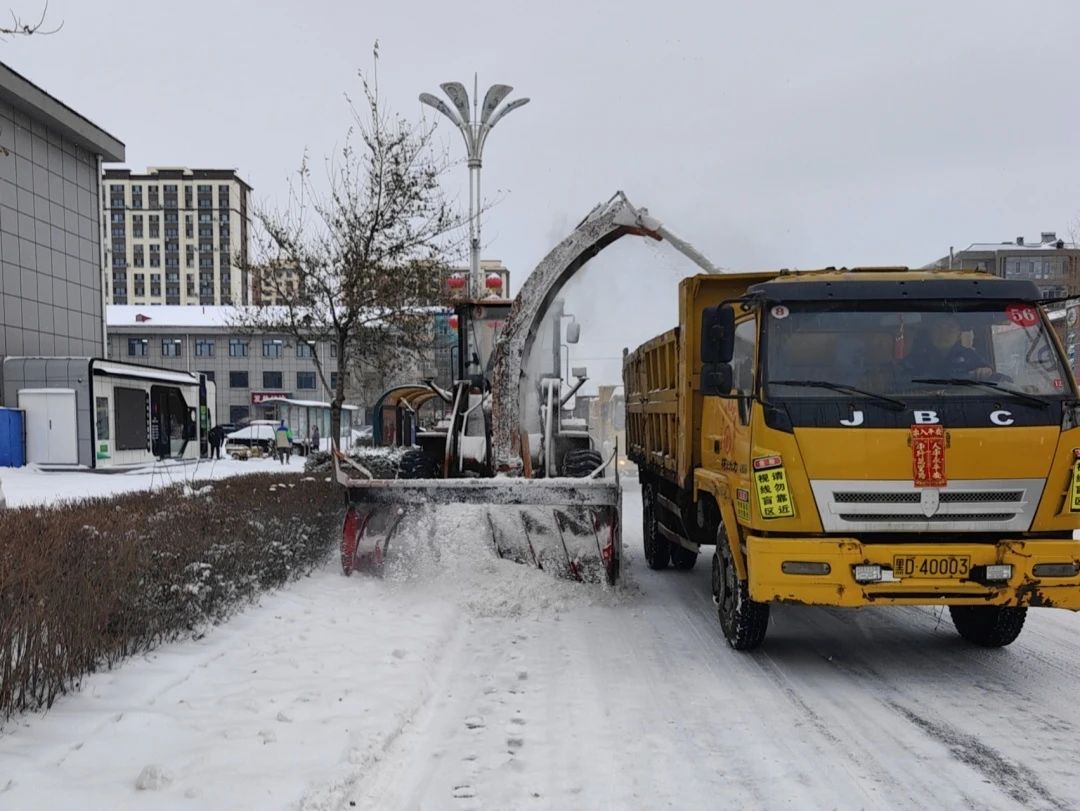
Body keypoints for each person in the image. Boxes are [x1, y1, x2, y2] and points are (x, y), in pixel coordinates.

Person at [905, 313, 993, 380]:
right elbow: (901, 376)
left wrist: (985, 371)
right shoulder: (917, 357)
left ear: (959, 335)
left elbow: (986, 371)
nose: (943, 333)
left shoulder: (969, 355)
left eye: (950, 328)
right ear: (930, 332)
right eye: (938, 328)